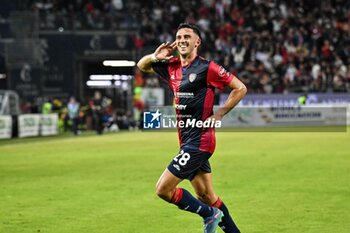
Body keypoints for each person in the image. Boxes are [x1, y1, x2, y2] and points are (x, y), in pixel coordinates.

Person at [137, 23, 247, 233]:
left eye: (187, 36)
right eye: (179, 37)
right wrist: (155, 56)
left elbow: (240, 88)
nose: (182, 40)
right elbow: (142, 65)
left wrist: (219, 114)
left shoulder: (208, 68)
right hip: (187, 142)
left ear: (197, 42)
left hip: (200, 142)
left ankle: (208, 215)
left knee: (163, 189)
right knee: (206, 196)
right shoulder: (171, 67)